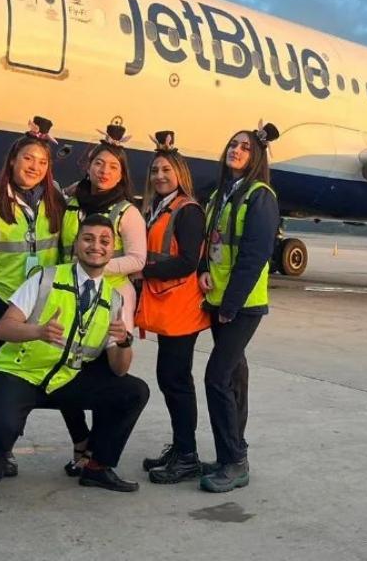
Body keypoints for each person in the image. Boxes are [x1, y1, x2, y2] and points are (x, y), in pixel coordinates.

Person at [0, 214, 149, 505]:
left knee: (134, 391)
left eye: (104, 241)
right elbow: (2, 328)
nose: (96, 246)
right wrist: (37, 331)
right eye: (88, 239)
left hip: (66, 379)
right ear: (77, 244)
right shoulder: (46, 278)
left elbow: (119, 367)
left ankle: (97, 466)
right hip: (21, 373)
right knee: (2, 424)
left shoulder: (114, 300)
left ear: (113, 248)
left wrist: (124, 342)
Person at [0, 116, 66, 477]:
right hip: (2, 297)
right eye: (28, 160)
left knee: (29, 371)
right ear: (12, 161)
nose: (34, 167)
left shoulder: (58, 199)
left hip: (41, 299)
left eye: (42, 162)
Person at [56, 122, 147, 476]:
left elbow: (138, 260)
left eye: (113, 166)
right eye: (99, 164)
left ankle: (98, 449)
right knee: (65, 368)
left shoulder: (128, 212)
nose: (104, 171)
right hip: (68, 295)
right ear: (88, 166)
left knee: (108, 376)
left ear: (122, 173)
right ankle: (81, 441)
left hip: (112, 299)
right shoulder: (69, 203)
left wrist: (95, 266)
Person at [197, 122, 281, 493]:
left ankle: (235, 460)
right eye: (233, 144)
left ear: (256, 157)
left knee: (216, 377)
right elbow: (210, 244)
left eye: (245, 147)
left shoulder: (260, 196)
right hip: (217, 300)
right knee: (233, 376)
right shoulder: (220, 196)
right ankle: (232, 450)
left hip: (242, 305)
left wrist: (230, 304)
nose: (236, 150)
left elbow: (256, 255)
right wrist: (202, 271)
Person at [135, 131, 211, 484]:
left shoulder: (188, 211)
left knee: (176, 381)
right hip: (167, 306)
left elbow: (186, 262)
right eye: (155, 171)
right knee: (171, 379)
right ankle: (182, 448)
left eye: (166, 170)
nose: (160, 176)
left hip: (181, 308)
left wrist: (142, 269)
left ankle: (188, 455)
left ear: (180, 173)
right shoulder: (157, 208)